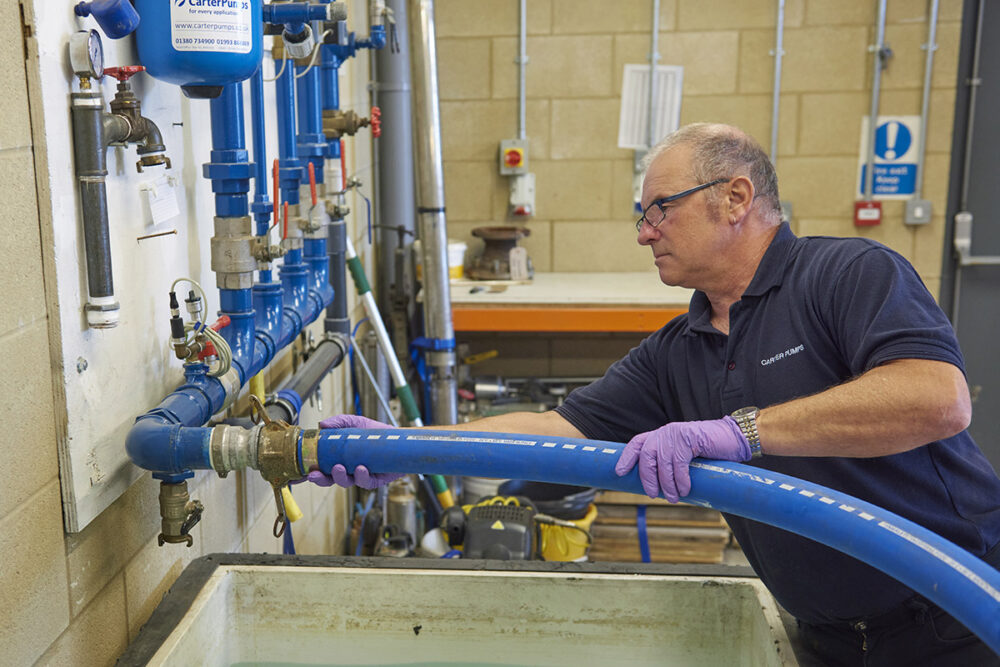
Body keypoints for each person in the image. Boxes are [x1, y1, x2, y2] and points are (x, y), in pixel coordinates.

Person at [313, 123, 1000, 666]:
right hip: (826, 637)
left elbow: (936, 397)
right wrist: (403, 448)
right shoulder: (681, 346)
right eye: (642, 216)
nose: (644, 232)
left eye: (659, 210)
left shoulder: (847, 275)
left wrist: (742, 431)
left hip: (954, 616)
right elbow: (555, 426)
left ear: (734, 198)